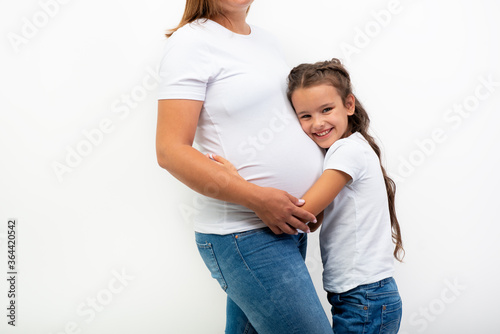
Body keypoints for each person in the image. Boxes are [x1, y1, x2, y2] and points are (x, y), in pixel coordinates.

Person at [155, 0, 333, 333]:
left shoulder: (266, 40)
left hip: (284, 226)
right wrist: (257, 198)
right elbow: (170, 150)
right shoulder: (190, 42)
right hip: (242, 233)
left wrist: (315, 194)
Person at [211, 58, 405, 333]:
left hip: (365, 298)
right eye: (306, 116)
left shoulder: (347, 152)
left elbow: (302, 214)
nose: (318, 123)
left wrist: (237, 184)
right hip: (359, 296)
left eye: (327, 109)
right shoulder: (345, 150)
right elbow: (313, 222)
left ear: (349, 105)